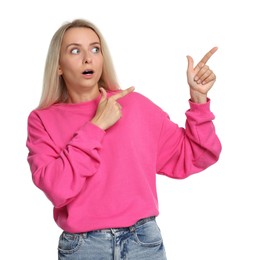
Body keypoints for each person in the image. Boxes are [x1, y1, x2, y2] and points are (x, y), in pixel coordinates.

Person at [26, 18, 222, 260]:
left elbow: (198, 155)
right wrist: (96, 126)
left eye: (95, 49)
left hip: (142, 242)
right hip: (84, 248)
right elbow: (57, 189)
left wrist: (199, 99)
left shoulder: (134, 105)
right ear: (58, 66)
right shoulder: (42, 120)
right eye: (75, 50)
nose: (88, 58)